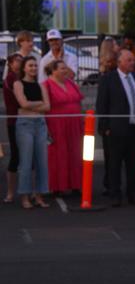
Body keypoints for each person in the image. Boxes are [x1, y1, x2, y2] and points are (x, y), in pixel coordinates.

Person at [96, 47, 135, 207]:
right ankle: (115, 194)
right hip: (116, 129)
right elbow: (102, 104)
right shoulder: (108, 79)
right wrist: (105, 127)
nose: (132, 63)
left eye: (133, 60)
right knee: (114, 163)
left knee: (133, 163)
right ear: (119, 62)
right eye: (129, 60)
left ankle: (133, 193)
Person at [13, 55, 50, 209]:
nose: (34, 68)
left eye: (35, 65)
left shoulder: (41, 85)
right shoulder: (18, 84)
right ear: (24, 68)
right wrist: (38, 103)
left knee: (42, 162)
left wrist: (31, 105)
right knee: (26, 162)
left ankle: (39, 195)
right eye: (30, 65)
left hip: (40, 124)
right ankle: (25, 196)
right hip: (25, 124)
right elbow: (22, 103)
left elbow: (47, 107)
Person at [43, 59, 84, 194]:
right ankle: (57, 186)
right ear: (53, 71)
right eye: (62, 68)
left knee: (75, 152)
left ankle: (76, 184)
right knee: (58, 155)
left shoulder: (71, 83)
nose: (65, 70)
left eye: (65, 68)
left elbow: (79, 102)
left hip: (74, 124)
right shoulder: (46, 85)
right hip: (57, 125)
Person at [98, 37, 119, 196]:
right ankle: (109, 184)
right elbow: (102, 101)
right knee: (110, 155)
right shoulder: (107, 71)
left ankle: (110, 183)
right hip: (111, 117)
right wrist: (104, 125)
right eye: (115, 45)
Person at [2, 53, 23, 203]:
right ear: (10, 63)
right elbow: (20, 101)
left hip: (26, 120)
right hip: (14, 121)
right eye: (17, 61)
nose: (20, 63)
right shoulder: (10, 79)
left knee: (28, 157)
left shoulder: (23, 78)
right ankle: (10, 192)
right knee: (15, 156)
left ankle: (28, 192)